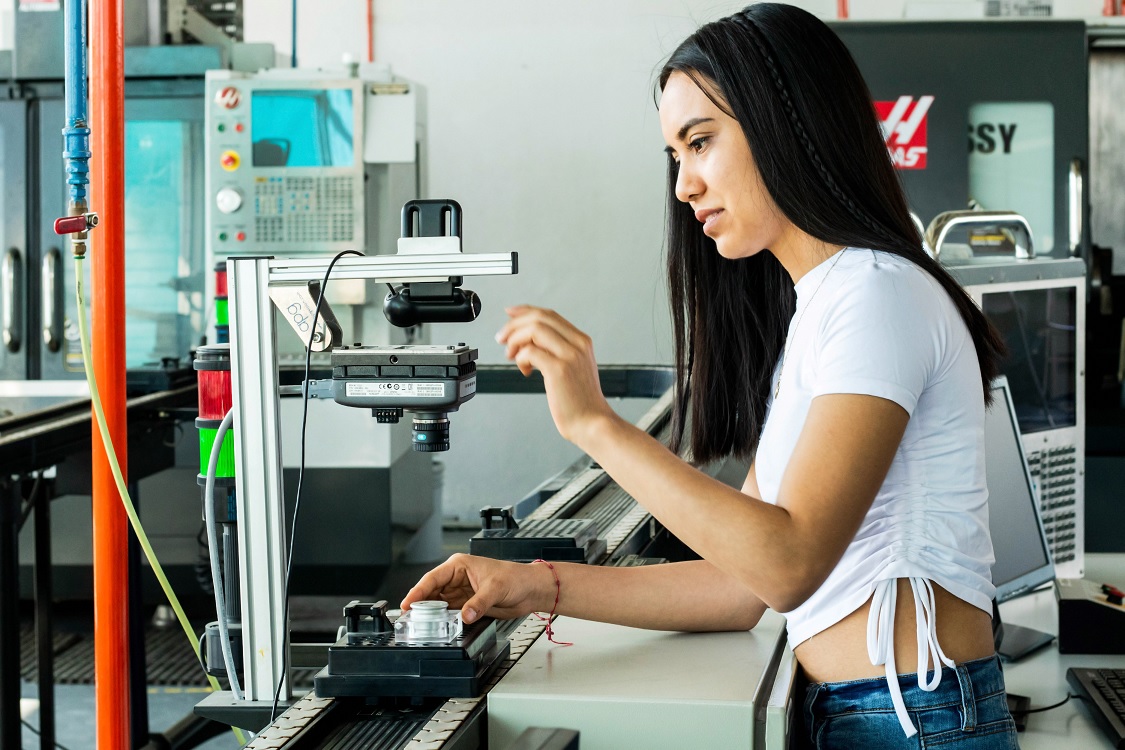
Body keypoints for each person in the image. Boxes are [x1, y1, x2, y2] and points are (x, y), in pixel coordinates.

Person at [401, 4, 1017, 748]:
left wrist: (595, 425)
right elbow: (740, 585)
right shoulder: (825, 305)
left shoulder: (876, 294)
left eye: (700, 142)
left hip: (915, 723)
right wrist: (533, 585)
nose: (684, 186)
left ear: (789, 124)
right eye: (674, 156)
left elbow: (785, 564)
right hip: (871, 713)